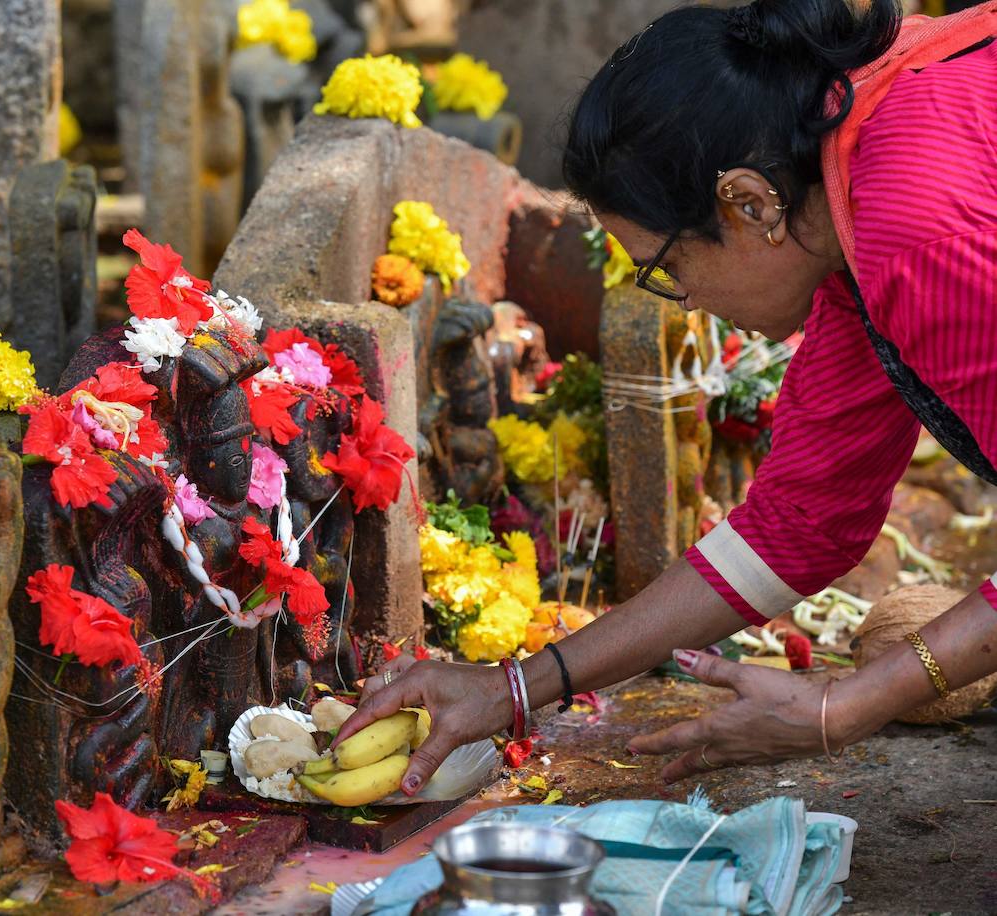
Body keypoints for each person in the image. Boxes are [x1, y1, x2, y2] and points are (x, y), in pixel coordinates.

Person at [335, 0, 997, 793]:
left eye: (662, 267)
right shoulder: (850, 183)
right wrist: (515, 688)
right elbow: (798, 525)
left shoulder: (916, 230)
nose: (679, 300)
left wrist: (846, 706)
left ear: (750, 203)